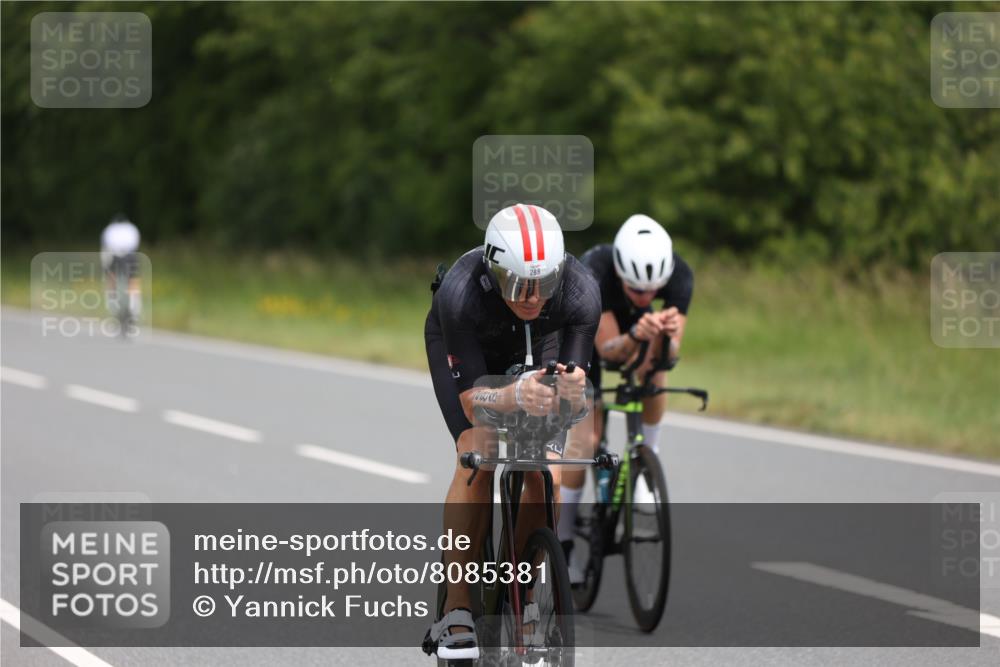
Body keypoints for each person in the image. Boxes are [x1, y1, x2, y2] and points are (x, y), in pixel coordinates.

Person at [423, 204, 600, 660]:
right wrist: (514, 394)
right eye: (519, 286)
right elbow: (471, 401)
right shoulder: (461, 294)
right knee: (476, 453)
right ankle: (458, 609)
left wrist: (571, 388)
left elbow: (572, 390)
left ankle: (522, 585)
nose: (531, 298)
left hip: (542, 343)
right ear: (494, 271)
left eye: (544, 286)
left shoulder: (580, 292)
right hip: (471, 346)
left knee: (550, 471)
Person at [558, 214, 694, 581]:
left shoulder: (681, 275)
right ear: (621, 274)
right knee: (585, 440)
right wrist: (635, 334)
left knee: (657, 371)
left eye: (653, 291)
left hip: (634, 329)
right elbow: (610, 349)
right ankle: (563, 542)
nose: (646, 297)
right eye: (636, 291)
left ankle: (647, 457)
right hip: (585, 334)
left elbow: (670, 354)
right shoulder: (596, 271)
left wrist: (661, 337)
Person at [100, 214, 142, 321]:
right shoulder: (132, 228)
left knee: (111, 277)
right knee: (133, 280)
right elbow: (135, 244)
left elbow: (105, 246)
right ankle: (135, 306)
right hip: (130, 256)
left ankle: (112, 302)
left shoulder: (109, 229)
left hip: (114, 256)